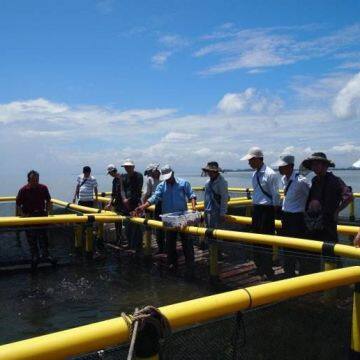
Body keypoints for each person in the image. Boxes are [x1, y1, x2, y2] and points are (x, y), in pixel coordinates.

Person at [135, 165, 197, 275]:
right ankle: (172, 264)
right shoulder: (161, 186)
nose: (167, 179)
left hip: (183, 217)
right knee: (170, 243)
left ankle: (190, 265)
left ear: (173, 173)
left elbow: (191, 195)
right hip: (169, 218)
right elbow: (154, 198)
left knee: (187, 242)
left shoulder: (184, 183)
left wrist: (193, 207)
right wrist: (143, 207)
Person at [241, 147, 281, 279]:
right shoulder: (255, 174)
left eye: (251, 160)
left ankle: (268, 269)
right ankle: (259, 266)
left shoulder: (270, 174)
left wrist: (275, 209)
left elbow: (275, 194)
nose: (249, 163)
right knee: (256, 238)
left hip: (267, 209)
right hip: (257, 209)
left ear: (258, 159)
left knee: (266, 239)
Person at [302, 152, 353, 248]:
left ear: (324, 165)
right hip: (314, 222)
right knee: (314, 250)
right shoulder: (314, 180)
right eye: (312, 165)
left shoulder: (335, 180)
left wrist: (337, 211)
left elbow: (349, 197)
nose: (314, 167)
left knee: (330, 251)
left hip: (328, 222)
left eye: (316, 164)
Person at [272, 154, 310, 277]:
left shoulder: (301, 181)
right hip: (286, 217)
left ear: (291, 167)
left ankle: (304, 274)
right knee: (286, 246)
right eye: (279, 166)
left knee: (299, 247)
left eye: (282, 166)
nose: (280, 169)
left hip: (298, 218)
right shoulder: (284, 180)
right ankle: (289, 272)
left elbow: (310, 197)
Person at [16, 170, 56, 270]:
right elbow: (18, 204)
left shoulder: (43, 188)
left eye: (37, 179)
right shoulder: (23, 190)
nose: (35, 181)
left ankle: (46, 256)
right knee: (31, 239)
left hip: (41, 215)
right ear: (28, 179)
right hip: (29, 217)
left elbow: (48, 201)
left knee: (44, 237)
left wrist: (48, 213)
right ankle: (35, 257)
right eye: (33, 179)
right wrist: (23, 215)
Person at [121, 159, 144, 250]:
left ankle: (138, 245)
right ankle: (129, 243)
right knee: (127, 225)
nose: (127, 168)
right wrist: (124, 199)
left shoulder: (139, 176)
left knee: (137, 226)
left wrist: (128, 200)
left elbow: (138, 190)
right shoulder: (123, 176)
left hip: (136, 204)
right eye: (126, 167)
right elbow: (122, 189)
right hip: (126, 205)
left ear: (133, 167)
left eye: (129, 167)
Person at [143, 163, 165, 254]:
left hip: (166, 203)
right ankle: (161, 247)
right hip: (155, 204)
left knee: (167, 226)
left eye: (149, 172)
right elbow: (147, 194)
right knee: (157, 225)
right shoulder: (150, 179)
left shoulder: (164, 177)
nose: (149, 175)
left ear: (155, 170)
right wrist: (144, 205)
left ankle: (167, 247)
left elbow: (147, 194)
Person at [202, 161, 229, 230]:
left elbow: (224, 198)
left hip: (217, 212)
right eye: (208, 171)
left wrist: (222, 213)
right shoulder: (207, 182)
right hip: (208, 211)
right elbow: (206, 198)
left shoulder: (222, 182)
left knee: (217, 232)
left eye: (212, 171)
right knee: (208, 230)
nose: (209, 173)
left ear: (216, 171)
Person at [105, 164, 125, 244]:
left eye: (110, 173)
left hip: (124, 203)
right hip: (117, 203)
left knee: (126, 221)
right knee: (117, 222)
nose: (110, 175)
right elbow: (113, 193)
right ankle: (119, 238)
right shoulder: (114, 180)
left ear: (112, 172)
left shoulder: (123, 178)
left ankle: (125, 239)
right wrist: (110, 203)